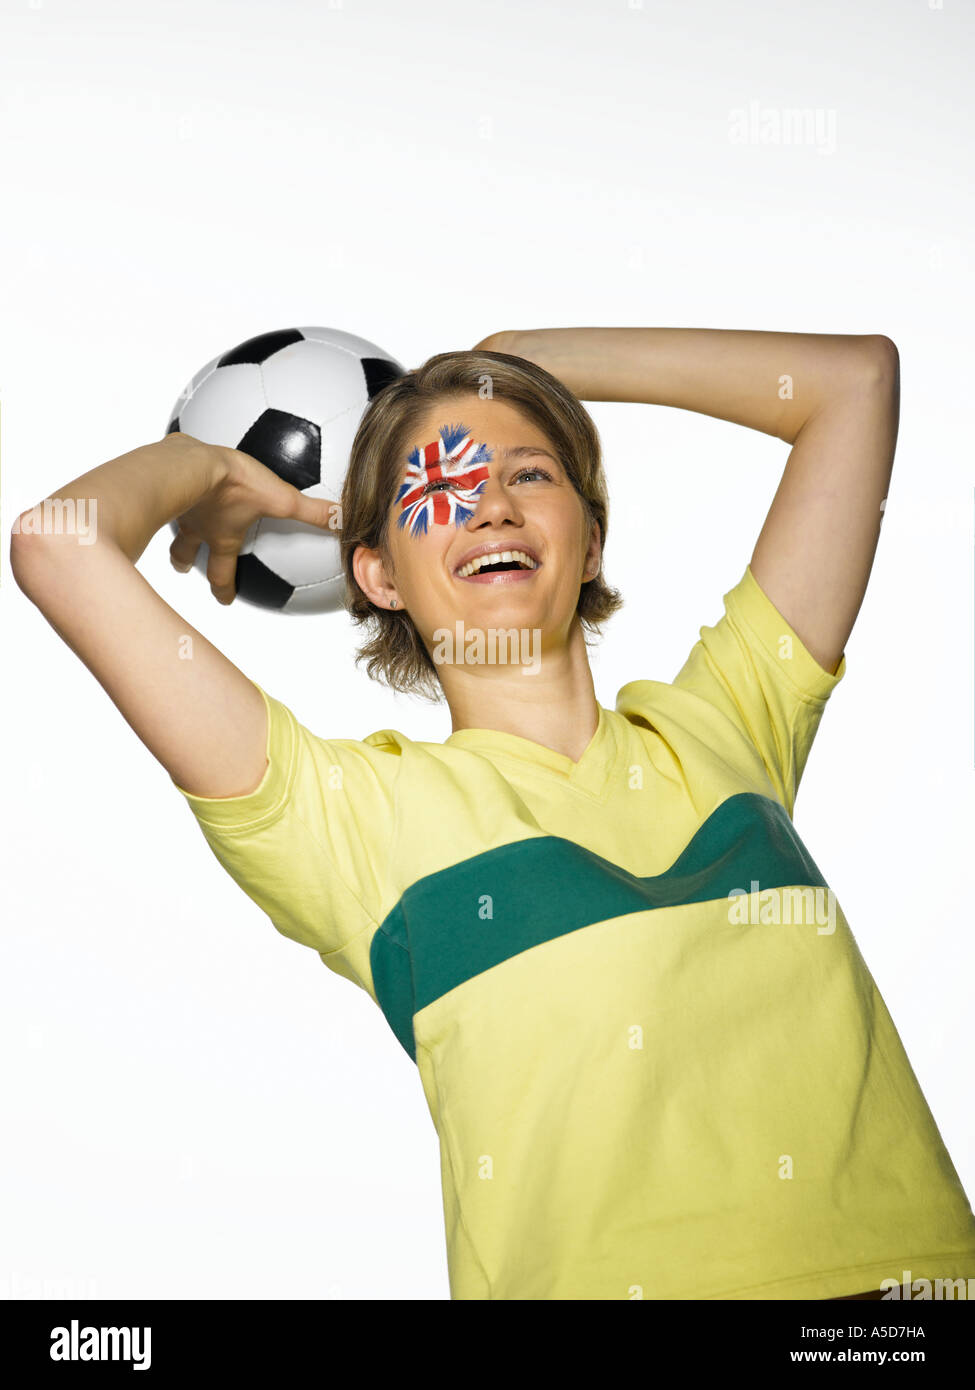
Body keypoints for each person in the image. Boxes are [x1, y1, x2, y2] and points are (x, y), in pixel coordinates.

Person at [11, 328, 975, 1301]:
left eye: (529, 473)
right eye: (442, 486)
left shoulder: (728, 725)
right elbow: (57, 543)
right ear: (378, 574)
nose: (492, 506)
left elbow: (857, 383)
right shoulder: (356, 823)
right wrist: (208, 464)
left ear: (590, 540)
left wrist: (522, 356)